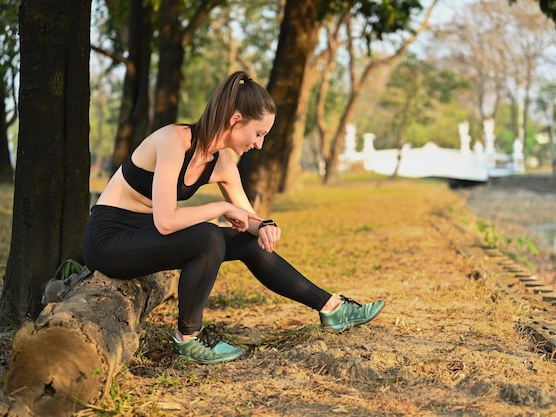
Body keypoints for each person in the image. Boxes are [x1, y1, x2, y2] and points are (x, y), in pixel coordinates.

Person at [83, 71, 385, 364]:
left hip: (147, 236)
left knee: (244, 240)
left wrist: (264, 225)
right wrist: (220, 208)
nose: (259, 144)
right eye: (258, 133)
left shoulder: (223, 164)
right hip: (111, 240)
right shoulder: (173, 140)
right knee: (209, 236)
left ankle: (331, 307)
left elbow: (247, 216)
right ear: (235, 119)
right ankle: (188, 338)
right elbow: (166, 221)